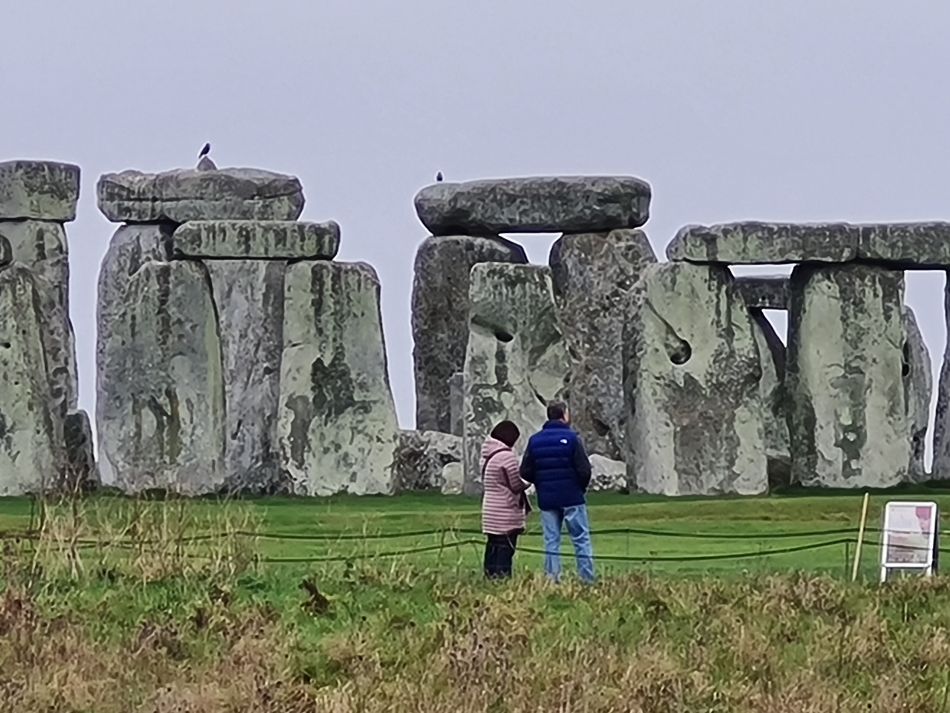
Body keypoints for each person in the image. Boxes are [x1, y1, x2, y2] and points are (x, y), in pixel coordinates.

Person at [520, 401, 595, 583]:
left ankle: (552, 578)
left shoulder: (535, 440)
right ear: (564, 415)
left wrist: (540, 482)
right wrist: (580, 488)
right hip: (572, 496)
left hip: (547, 497)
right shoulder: (572, 439)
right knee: (580, 539)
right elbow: (584, 469)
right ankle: (587, 578)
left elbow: (525, 471)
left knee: (551, 540)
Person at [480, 420, 531, 579]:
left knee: (492, 546)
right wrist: (528, 482)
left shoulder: (487, 455)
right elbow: (515, 485)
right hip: (505, 511)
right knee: (506, 548)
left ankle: (490, 576)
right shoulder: (507, 457)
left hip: (490, 509)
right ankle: (502, 578)